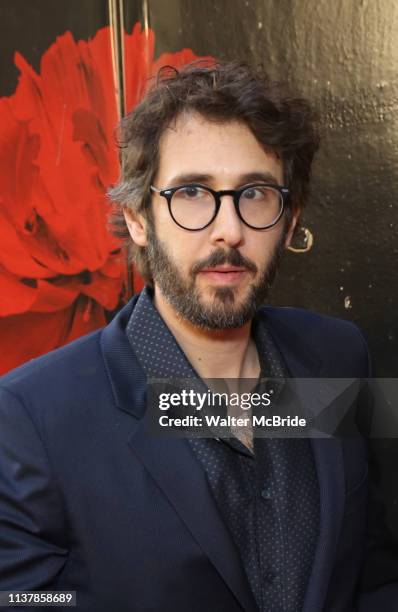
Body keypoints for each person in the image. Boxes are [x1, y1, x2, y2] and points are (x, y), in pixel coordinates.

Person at [0, 61, 389, 612]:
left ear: (289, 216)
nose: (228, 229)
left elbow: (372, 575)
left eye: (254, 194)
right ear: (138, 217)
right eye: (192, 194)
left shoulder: (338, 355)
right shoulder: (31, 417)